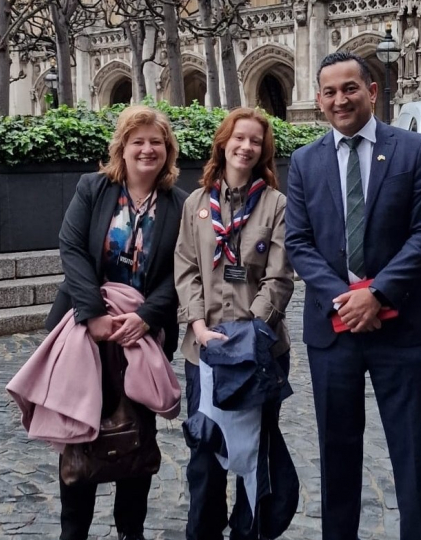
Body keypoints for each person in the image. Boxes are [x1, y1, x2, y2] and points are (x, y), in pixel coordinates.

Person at [284, 51, 421, 540]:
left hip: (402, 329)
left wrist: (376, 293)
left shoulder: (413, 150)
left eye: (350, 88)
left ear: (372, 91)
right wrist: (347, 299)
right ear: (318, 99)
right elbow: (299, 243)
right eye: (329, 91)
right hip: (333, 335)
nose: (340, 99)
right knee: (337, 455)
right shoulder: (304, 161)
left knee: (412, 455)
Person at [46, 105, 188, 540]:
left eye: (156, 142)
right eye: (138, 141)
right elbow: (71, 248)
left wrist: (145, 318)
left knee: (136, 433)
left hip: (143, 336)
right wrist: (94, 316)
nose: (147, 149)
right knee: (82, 430)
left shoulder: (179, 204)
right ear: (122, 148)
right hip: (87, 332)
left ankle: (131, 530)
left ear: (168, 151)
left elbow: (182, 271)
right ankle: (75, 532)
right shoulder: (94, 189)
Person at [174, 107, 295, 540]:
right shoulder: (196, 204)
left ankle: (250, 532)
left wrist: (251, 334)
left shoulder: (277, 204)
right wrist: (199, 326)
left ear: (264, 151)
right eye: (239, 138)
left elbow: (280, 276)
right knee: (205, 452)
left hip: (259, 354)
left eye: (256, 141)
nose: (246, 147)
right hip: (205, 352)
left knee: (253, 455)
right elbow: (187, 268)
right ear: (223, 143)